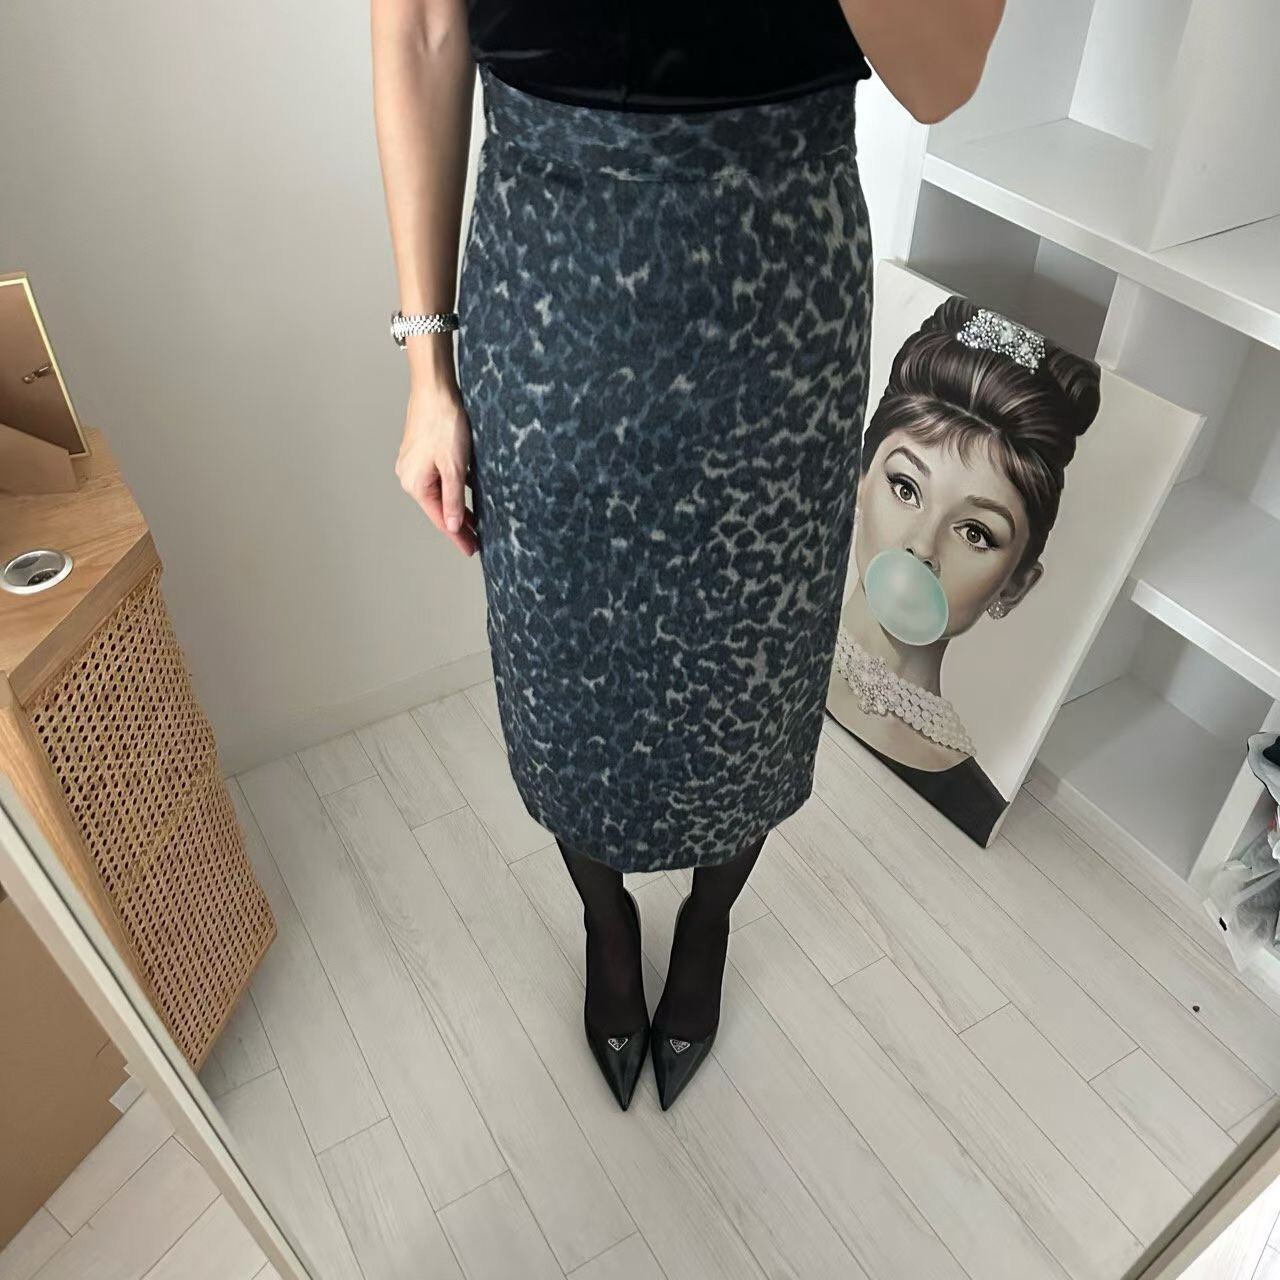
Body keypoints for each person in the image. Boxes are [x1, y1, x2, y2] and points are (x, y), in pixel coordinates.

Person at [372, 0, 1007, 1111]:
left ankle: (709, 919)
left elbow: (941, 78)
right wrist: (428, 373)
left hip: (778, 297)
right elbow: (421, 27)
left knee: (751, 675)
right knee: (566, 677)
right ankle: (604, 916)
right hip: (547, 288)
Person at [828, 295, 1102, 846]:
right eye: (906, 488)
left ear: (1016, 585)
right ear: (859, 480)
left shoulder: (973, 801)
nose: (922, 546)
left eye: (975, 532)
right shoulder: (751, 652)